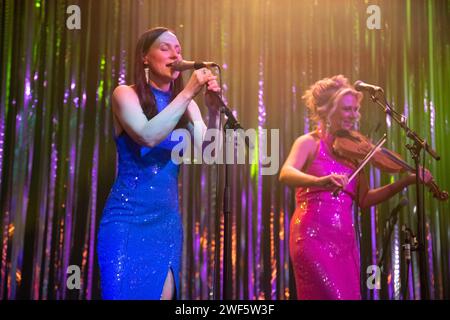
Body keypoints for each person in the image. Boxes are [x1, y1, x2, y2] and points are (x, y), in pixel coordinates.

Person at [279, 75, 433, 300]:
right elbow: (286, 173)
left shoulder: (354, 154)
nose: (354, 116)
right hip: (312, 236)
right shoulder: (308, 142)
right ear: (328, 111)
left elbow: (365, 199)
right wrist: (320, 181)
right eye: (346, 110)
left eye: (355, 110)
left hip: (345, 241)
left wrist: (405, 181)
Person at [97, 27, 221, 300]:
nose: (175, 54)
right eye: (165, 48)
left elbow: (210, 153)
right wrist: (188, 91)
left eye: (178, 49)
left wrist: (213, 113)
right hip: (126, 218)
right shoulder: (125, 94)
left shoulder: (188, 107)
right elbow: (148, 135)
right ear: (145, 57)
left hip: (165, 222)